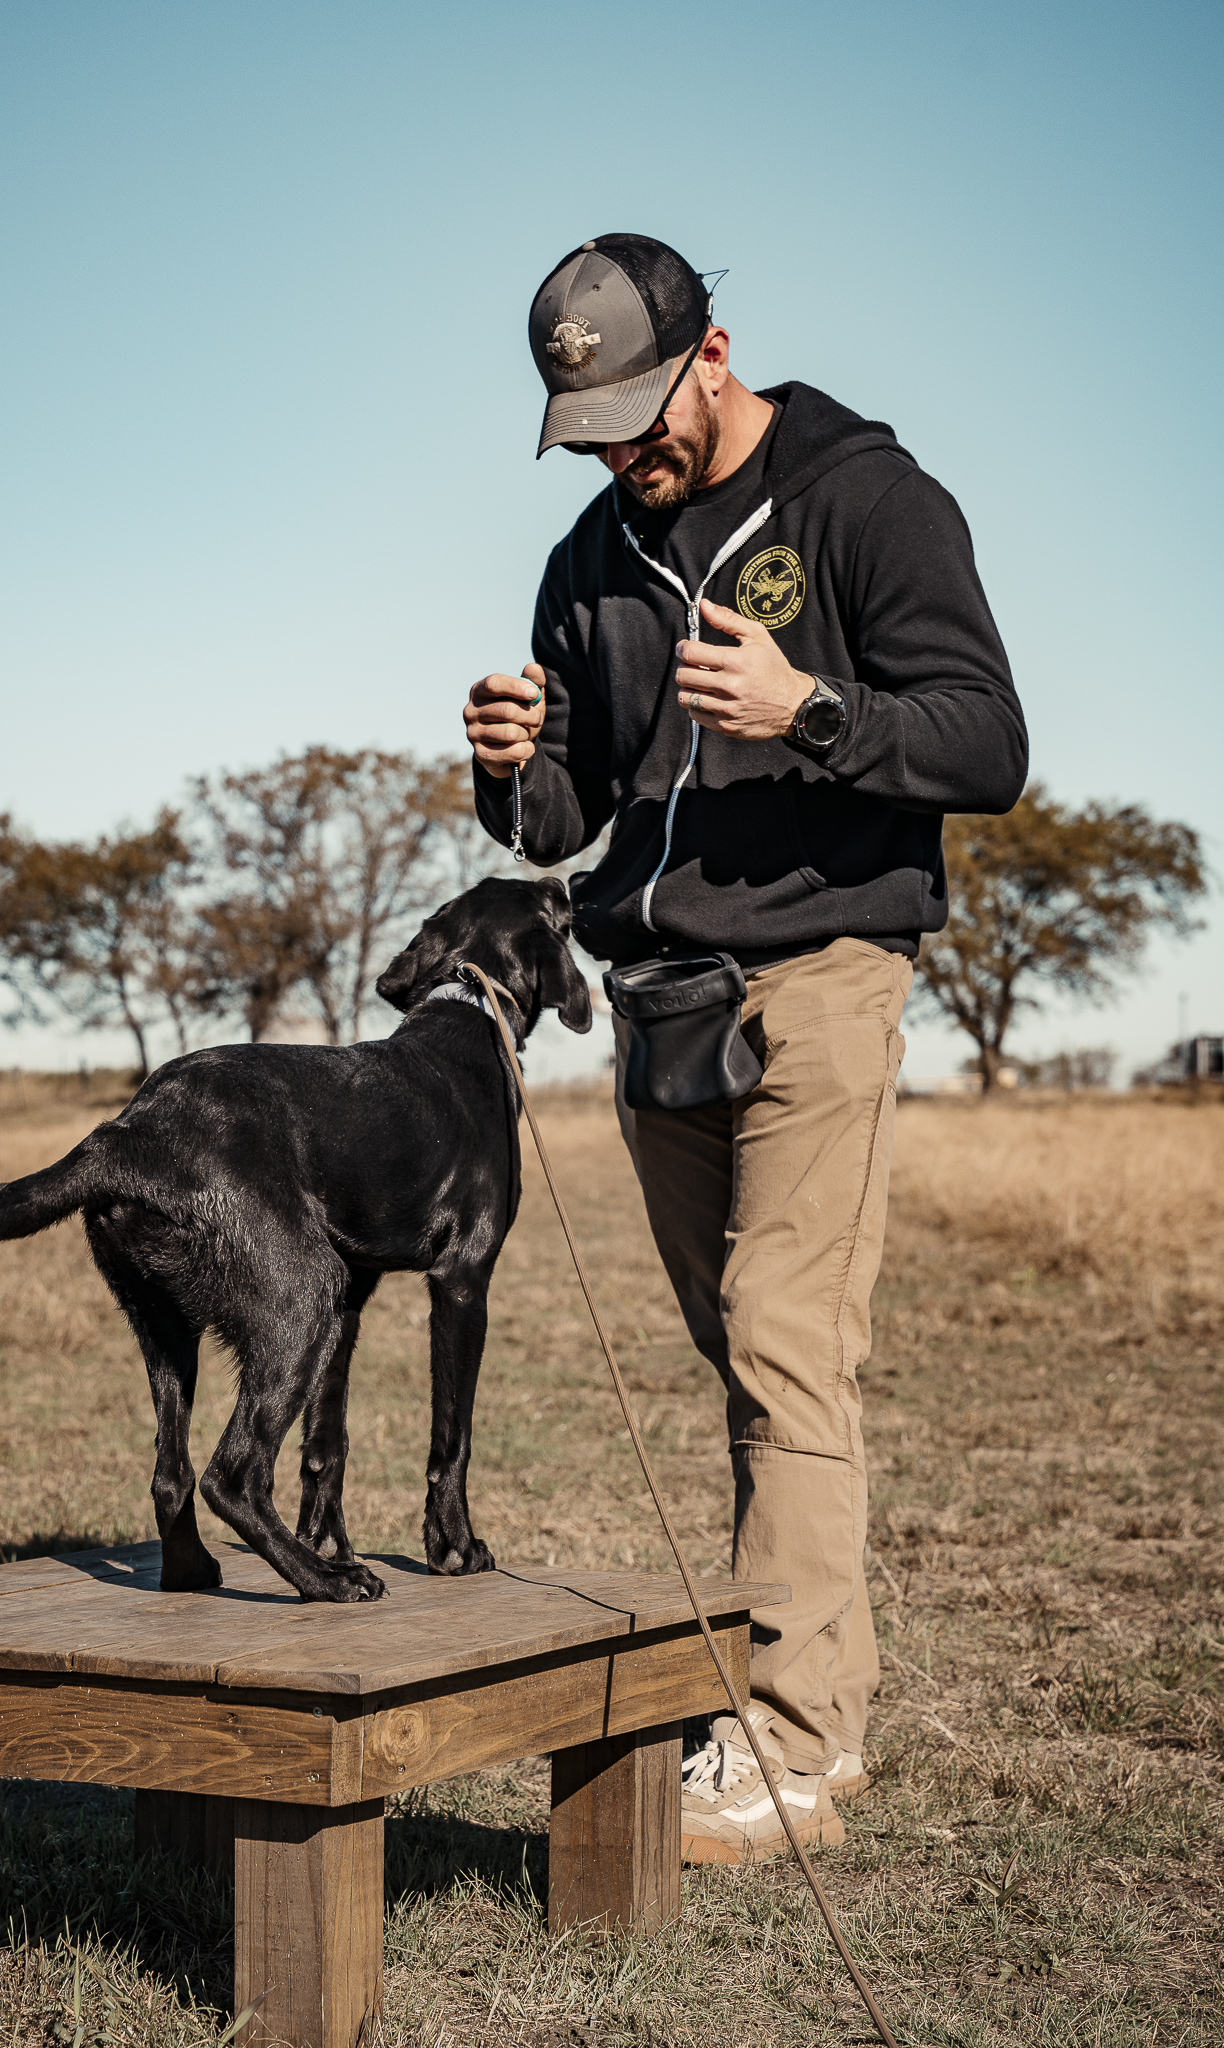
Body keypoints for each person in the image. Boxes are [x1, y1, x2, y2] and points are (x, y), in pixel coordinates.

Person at [462, 233, 1026, 1862]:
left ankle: (787, 1739)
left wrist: (815, 714)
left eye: (642, 414)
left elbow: (987, 740)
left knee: (785, 1338)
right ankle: (817, 1699)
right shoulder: (590, 557)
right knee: (754, 1359)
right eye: (591, 430)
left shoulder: (868, 497)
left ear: (718, 355)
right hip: (665, 1003)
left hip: (827, 973)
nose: (625, 455)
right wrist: (512, 768)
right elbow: (575, 817)